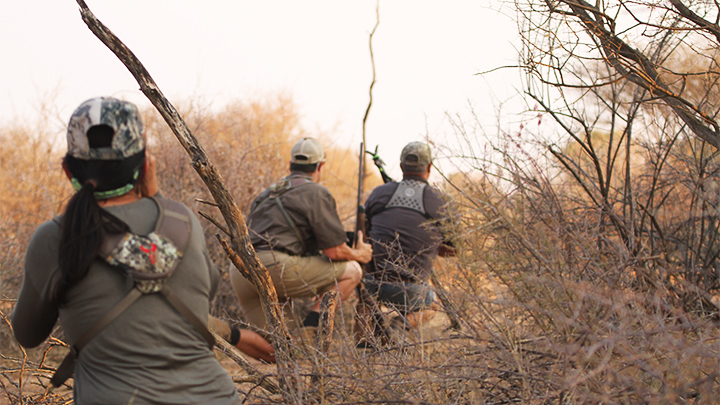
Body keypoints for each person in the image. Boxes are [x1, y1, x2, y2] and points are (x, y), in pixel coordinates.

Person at [11, 97, 241, 404]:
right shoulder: (182, 220)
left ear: (68, 170)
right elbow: (207, 292)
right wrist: (158, 198)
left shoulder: (55, 237)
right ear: (145, 165)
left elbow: (27, 334)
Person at [230, 137, 372, 338]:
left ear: (290, 165)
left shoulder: (267, 193)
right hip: (276, 268)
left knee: (278, 348)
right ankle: (310, 327)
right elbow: (335, 251)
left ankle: (221, 332)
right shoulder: (316, 191)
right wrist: (359, 254)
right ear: (320, 166)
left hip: (241, 271)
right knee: (352, 271)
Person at [361, 141, 455, 333]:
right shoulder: (442, 201)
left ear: (401, 166)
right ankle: (400, 326)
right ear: (430, 167)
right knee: (432, 305)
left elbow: (366, 233)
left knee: (363, 294)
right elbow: (454, 249)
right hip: (412, 292)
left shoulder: (379, 193)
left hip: (372, 286)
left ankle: (364, 338)